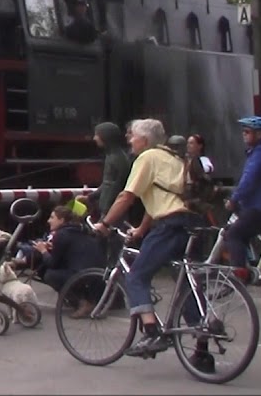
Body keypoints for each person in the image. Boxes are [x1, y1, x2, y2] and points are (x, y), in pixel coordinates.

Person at [94, 119, 213, 370]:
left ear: (145, 140)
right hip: (192, 222)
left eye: (133, 136)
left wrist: (105, 223)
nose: (129, 139)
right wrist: (141, 229)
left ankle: (151, 332)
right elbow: (159, 198)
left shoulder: (146, 158)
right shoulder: (174, 158)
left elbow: (126, 196)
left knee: (136, 276)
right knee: (185, 284)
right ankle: (203, 349)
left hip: (169, 225)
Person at [223, 116, 261, 283]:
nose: (243, 134)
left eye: (247, 131)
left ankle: (240, 276)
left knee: (233, 234)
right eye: (243, 131)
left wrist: (234, 199)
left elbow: (249, 178)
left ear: (259, 134)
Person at [33, 206, 105, 316]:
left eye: (52, 217)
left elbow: (52, 263)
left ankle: (82, 302)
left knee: (50, 275)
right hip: (98, 275)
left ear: (61, 220)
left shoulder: (61, 234)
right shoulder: (81, 230)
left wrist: (43, 251)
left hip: (83, 276)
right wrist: (53, 248)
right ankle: (88, 299)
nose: (48, 221)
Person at [89, 122, 131, 219]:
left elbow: (114, 185)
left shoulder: (116, 159)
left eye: (97, 135)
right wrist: (91, 197)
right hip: (110, 209)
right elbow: (107, 183)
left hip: (112, 211)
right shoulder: (113, 156)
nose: (94, 138)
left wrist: (106, 209)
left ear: (105, 136)